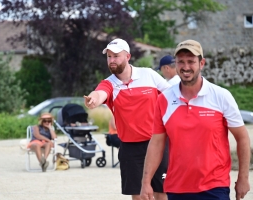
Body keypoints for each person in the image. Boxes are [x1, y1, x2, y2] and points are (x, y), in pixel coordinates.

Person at [140, 39, 251, 200]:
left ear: (202, 63)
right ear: (175, 64)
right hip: (177, 188)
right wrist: (146, 181)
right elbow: (156, 143)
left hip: (214, 187)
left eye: (191, 61)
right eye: (181, 62)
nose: (186, 67)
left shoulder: (221, 96)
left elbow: (242, 138)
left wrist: (243, 178)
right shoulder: (163, 99)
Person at [84, 38, 171, 200]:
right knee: (138, 196)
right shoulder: (109, 83)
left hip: (157, 142)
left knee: (162, 192)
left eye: (116, 56)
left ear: (127, 57)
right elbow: (99, 93)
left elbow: (172, 96)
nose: (111, 60)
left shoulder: (149, 75)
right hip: (130, 148)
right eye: (109, 57)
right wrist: (93, 99)